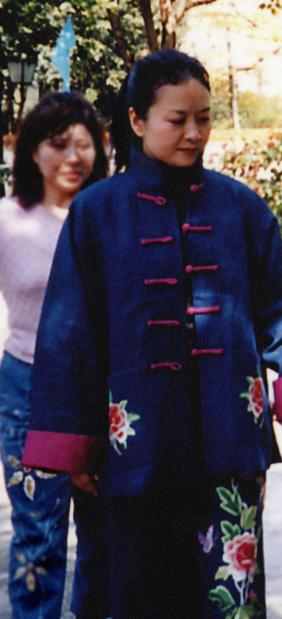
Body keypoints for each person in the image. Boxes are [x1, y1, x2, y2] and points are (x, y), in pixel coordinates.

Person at [20, 49, 282, 616]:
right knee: (140, 592)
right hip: (133, 446)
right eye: (177, 119)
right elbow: (69, 334)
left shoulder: (241, 208)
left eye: (204, 118)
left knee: (230, 597)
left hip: (230, 437)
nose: (194, 133)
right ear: (138, 121)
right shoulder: (97, 213)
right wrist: (74, 438)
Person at [0, 92, 109, 619]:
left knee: (105, 535)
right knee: (38, 536)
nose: (72, 157)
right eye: (57, 144)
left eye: (83, 145)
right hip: (28, 391)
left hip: (108, 394)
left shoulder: (114, 217)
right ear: (31, 152)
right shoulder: (7, 220)